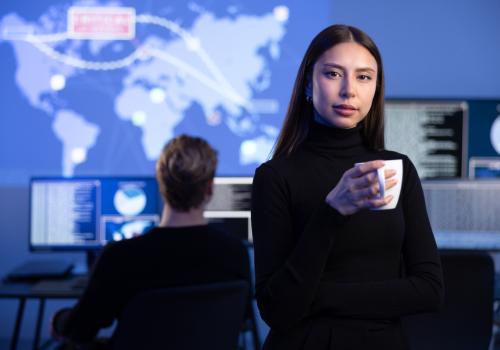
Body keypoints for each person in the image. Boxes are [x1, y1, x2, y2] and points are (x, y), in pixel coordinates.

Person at [251, 24, 444, 349]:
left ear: (375, 89)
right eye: (333, 74)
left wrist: (318, 297)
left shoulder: (397, 170)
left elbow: (429, 290)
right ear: (308, 86)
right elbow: (277, 308)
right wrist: (332, 211)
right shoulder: (275, 176)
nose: (349, 90)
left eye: (363, 77)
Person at [51, 135, 250, 348]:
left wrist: (59, 319)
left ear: (161, 183)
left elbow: (80, 330)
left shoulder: (120, 257)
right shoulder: (235, 253)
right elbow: (242, 322)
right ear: (210, 189)